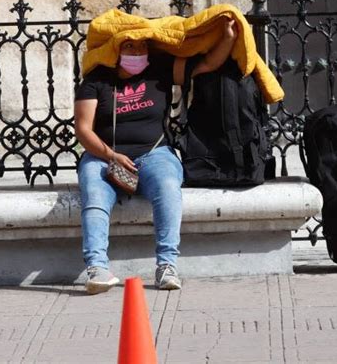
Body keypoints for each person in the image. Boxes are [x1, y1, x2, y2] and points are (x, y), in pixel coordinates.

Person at [74, 18, 238, 295]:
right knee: (94, 191)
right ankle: (97, 267)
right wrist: (111, 155)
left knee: (168, 187)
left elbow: (208, 64)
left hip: (154, 153)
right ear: (116, 49)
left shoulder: (159, 70)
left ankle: (167, 265)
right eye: (129, 46)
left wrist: (229, 38)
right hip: (103, 155)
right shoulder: (97, 80)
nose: (136, 53)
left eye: (141, 47)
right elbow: (83, 129)